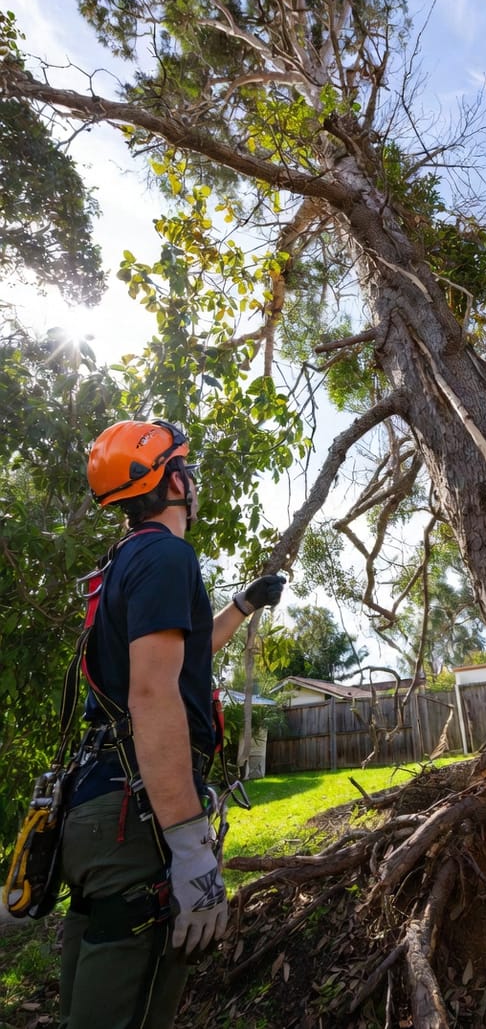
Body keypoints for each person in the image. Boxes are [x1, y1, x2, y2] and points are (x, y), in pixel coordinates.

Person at [60, 419, 285, 1029]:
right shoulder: (165, 554)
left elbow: (184, 655)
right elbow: (154, 692)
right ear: (170, 482)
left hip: (104, 804)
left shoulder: (128, 560)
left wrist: (244, 604)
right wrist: (190, 847)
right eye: (185, 467)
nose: (193, 478)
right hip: (136, 820)